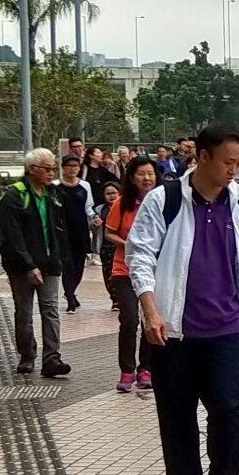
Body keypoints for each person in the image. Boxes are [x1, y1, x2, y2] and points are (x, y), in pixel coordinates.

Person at [126, 122, 239, 475]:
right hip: (173, 330)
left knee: (227, 408)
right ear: (202, 157)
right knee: (177, 413)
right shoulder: (165, 200)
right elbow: (140, 256)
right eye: (228, 162)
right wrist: (151, 311)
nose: (235, 170)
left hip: (225, 327)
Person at [0, 149, 73, 379]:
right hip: (21, 266)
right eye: (47, 169)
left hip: (50, 263)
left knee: (50, 310)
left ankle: (52, 358)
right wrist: (29, 265)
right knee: (24, 311)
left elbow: (59, 228)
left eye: (54, 169)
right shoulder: (15, 195)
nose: (52, 173)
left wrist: (62, 257)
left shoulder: (53, 193)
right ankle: (27, 354)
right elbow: (13, 235)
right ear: (32, 169)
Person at [105, 156, 159, 392]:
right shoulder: (122, 203)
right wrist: (129, 245)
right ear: (132, 177)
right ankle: (127, 370)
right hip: (124, 269)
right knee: (129, 319)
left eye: (150, 173)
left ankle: (146, 368)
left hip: (153, 271)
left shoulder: (161, 201)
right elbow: (109, 233)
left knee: (150, 319)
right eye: (141, 174)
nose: (147, 178)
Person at [55, 154, 95, 313]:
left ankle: (71, 292)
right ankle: (70, 298)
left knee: (79, 266)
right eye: (69, 166)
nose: (72, 169)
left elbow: (88, 207)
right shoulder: (55, 186)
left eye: (75, 166)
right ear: (63, 168)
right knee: (67, 265)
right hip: (63, 231)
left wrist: (94, 218)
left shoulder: (85, 186)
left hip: (80, 230)